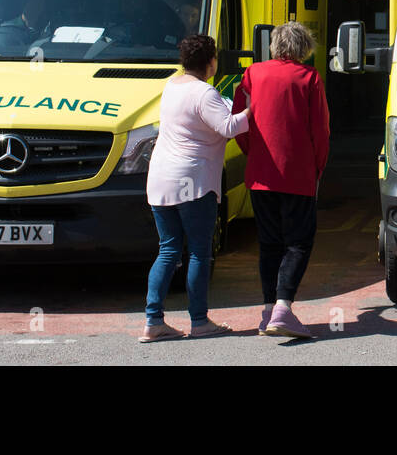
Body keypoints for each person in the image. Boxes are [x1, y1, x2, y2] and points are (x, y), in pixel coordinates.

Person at [141, 34, 249, 342]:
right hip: (194, 183)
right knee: (200, 252)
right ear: (211, 62)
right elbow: (229, 127)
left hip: (161, 180)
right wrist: (254, 109)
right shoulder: (205, 93)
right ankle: (199, 321)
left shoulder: (171, 87)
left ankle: (153, 320)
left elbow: (196, 120)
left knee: (168, 250)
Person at [234, 22, 330, 340]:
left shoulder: (252, 75)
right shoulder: (309, 78)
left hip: (260, 175)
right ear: (304, 48)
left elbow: (240, 122)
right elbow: (321, 131)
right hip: (298, 173)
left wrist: (253, 154)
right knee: (299, 242)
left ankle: (267, 312)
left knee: (269, 243)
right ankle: (283, 308)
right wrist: (318, 167)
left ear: (274, 45)